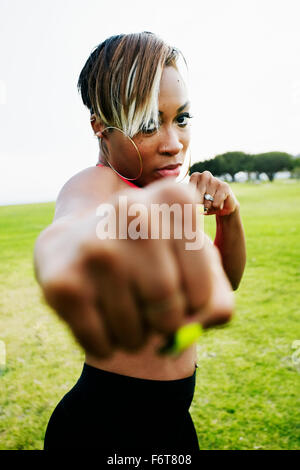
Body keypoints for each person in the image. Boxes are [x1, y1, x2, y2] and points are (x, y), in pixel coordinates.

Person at [34, 32, 246, 457]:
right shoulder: (97, 185)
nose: (174, 144)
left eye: (181, 119)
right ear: (99, 124)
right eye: (149, 125)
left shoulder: (168, 191)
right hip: (103, 428)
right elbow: (70, 230)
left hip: (171, 422)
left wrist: (229, 216)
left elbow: (224, 280)